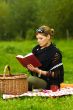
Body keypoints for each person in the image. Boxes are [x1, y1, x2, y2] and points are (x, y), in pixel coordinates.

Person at [27, 25, 64, 91]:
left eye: (41, 38)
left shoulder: (55, 53)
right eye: (37, 38)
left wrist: (38, 71)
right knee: (22, 79)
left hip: (50, 83)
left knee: (29, 80)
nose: (38, 41)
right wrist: (29, 67)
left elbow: (56, 74)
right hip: (38, 78)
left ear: (48, 37)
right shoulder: (36, 49)